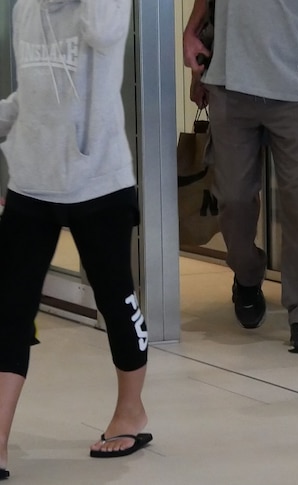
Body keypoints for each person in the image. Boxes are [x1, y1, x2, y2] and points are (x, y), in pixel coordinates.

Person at [0, 0, 152, 478]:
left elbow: (104, 35)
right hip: (31, 180)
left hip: (100, 181)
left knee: (116, 299)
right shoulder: (25, 7)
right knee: (9, 309)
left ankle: (131, 413)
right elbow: (32, 91)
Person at [183, 0, 298, 352]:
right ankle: (248, 273)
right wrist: (191, 33)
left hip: (294, 95)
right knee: (234, 199)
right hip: (228, 88)